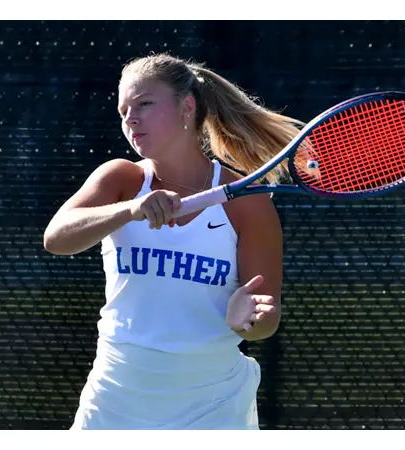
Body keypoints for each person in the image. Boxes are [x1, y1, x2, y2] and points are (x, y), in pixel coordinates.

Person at [41, 53, 303, 430]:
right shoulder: (121, 179)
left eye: (144, 104)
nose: (130, 119)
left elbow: (266, 317)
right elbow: (56, 237)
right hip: (115, 396)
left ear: (186, 108)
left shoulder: (249, 203)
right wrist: (130, 210)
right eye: (123, 110)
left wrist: (249, 320)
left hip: (213, 405)